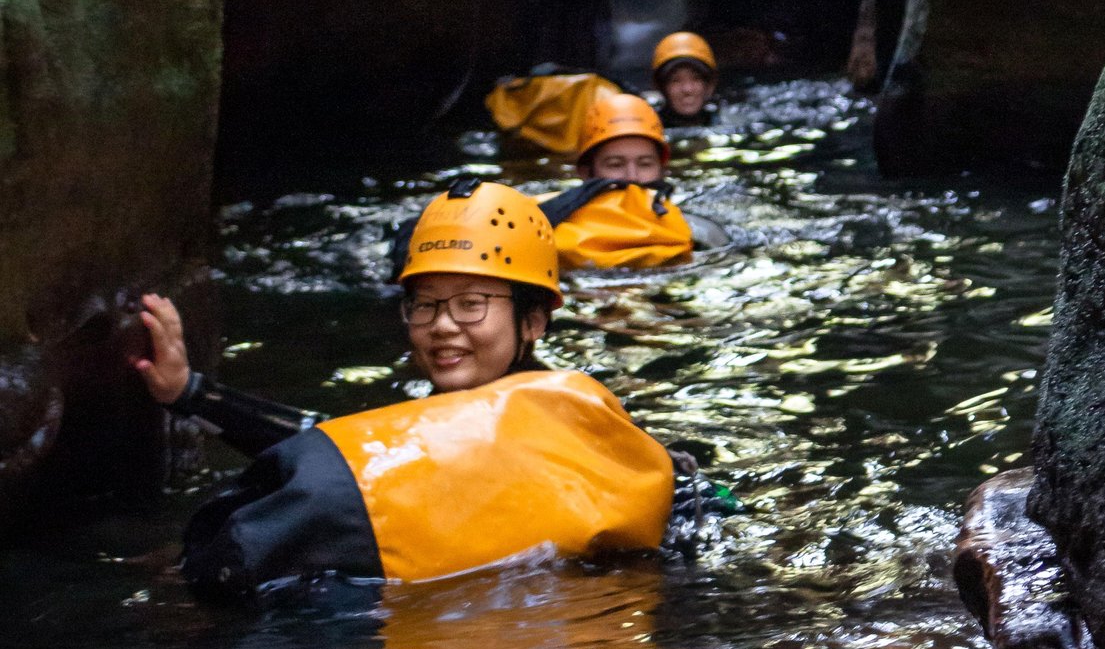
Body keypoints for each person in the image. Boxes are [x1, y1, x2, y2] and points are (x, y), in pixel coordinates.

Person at [134, 180, 695, 602]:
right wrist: (191, 393)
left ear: (536, 320)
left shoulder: (572, 427)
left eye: (471, 303)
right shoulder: (437, 420)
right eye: (425, 304)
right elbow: (353, 454)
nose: (443, 326)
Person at [539, 94, 693, 270]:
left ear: (662, 170)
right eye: (615, 164)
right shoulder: (548, 227)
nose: (632, 177)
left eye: (645, 164)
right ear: (586, 173)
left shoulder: (687, 230)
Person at [652, 31, 718, 127]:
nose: (687, 89)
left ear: (709, 85)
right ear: (661, 87)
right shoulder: (649, 127)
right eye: (675, 80)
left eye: (696, 79)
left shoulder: (727, 123)